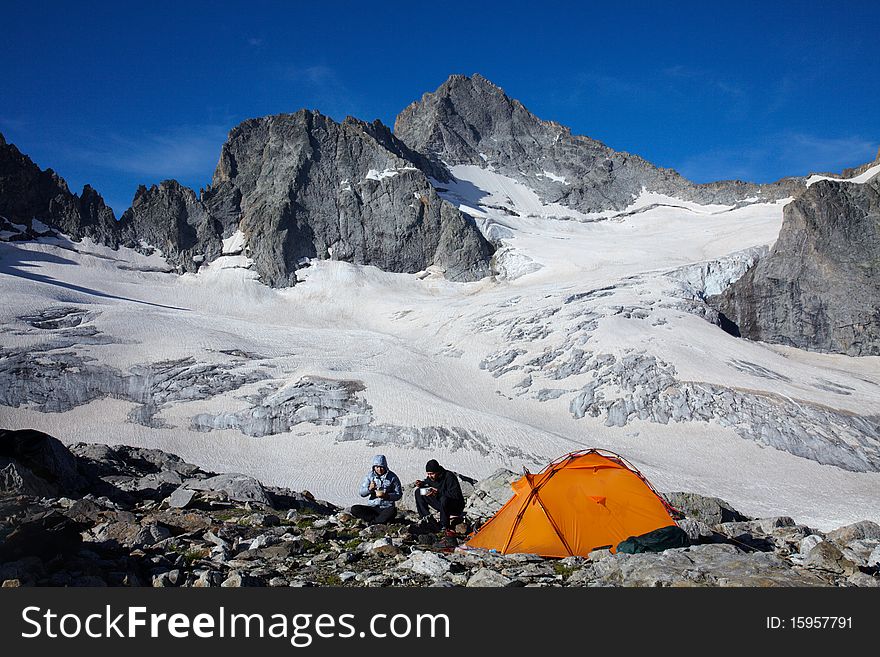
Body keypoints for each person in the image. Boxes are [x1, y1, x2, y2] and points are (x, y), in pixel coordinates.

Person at [414, 459, 465, 535]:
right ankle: (426, 518)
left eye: (431, 474)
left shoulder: (449, 477)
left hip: (453, 506)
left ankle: (444, 526)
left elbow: (455, 495)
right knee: (419, 492)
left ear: (437, 471)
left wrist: (438, 492)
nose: (430, 476)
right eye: (428, 474)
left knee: (444, 499)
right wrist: (422, 484)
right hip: (440, 503)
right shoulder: (432, 478)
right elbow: (428, 483)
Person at [350, 454, 402, 524]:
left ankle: (374, 521)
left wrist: (387, 496)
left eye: (381, 467)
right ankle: (379, 520)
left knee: (392, 511)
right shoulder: (369, 476)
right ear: (374, 467)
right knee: (355, 509)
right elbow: (361, 493)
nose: (379, 469)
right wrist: (369, 489)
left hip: (386, 507)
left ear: (385, 466)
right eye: (377, 467)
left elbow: (398, 494)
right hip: (372, 507)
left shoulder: (393, 477)